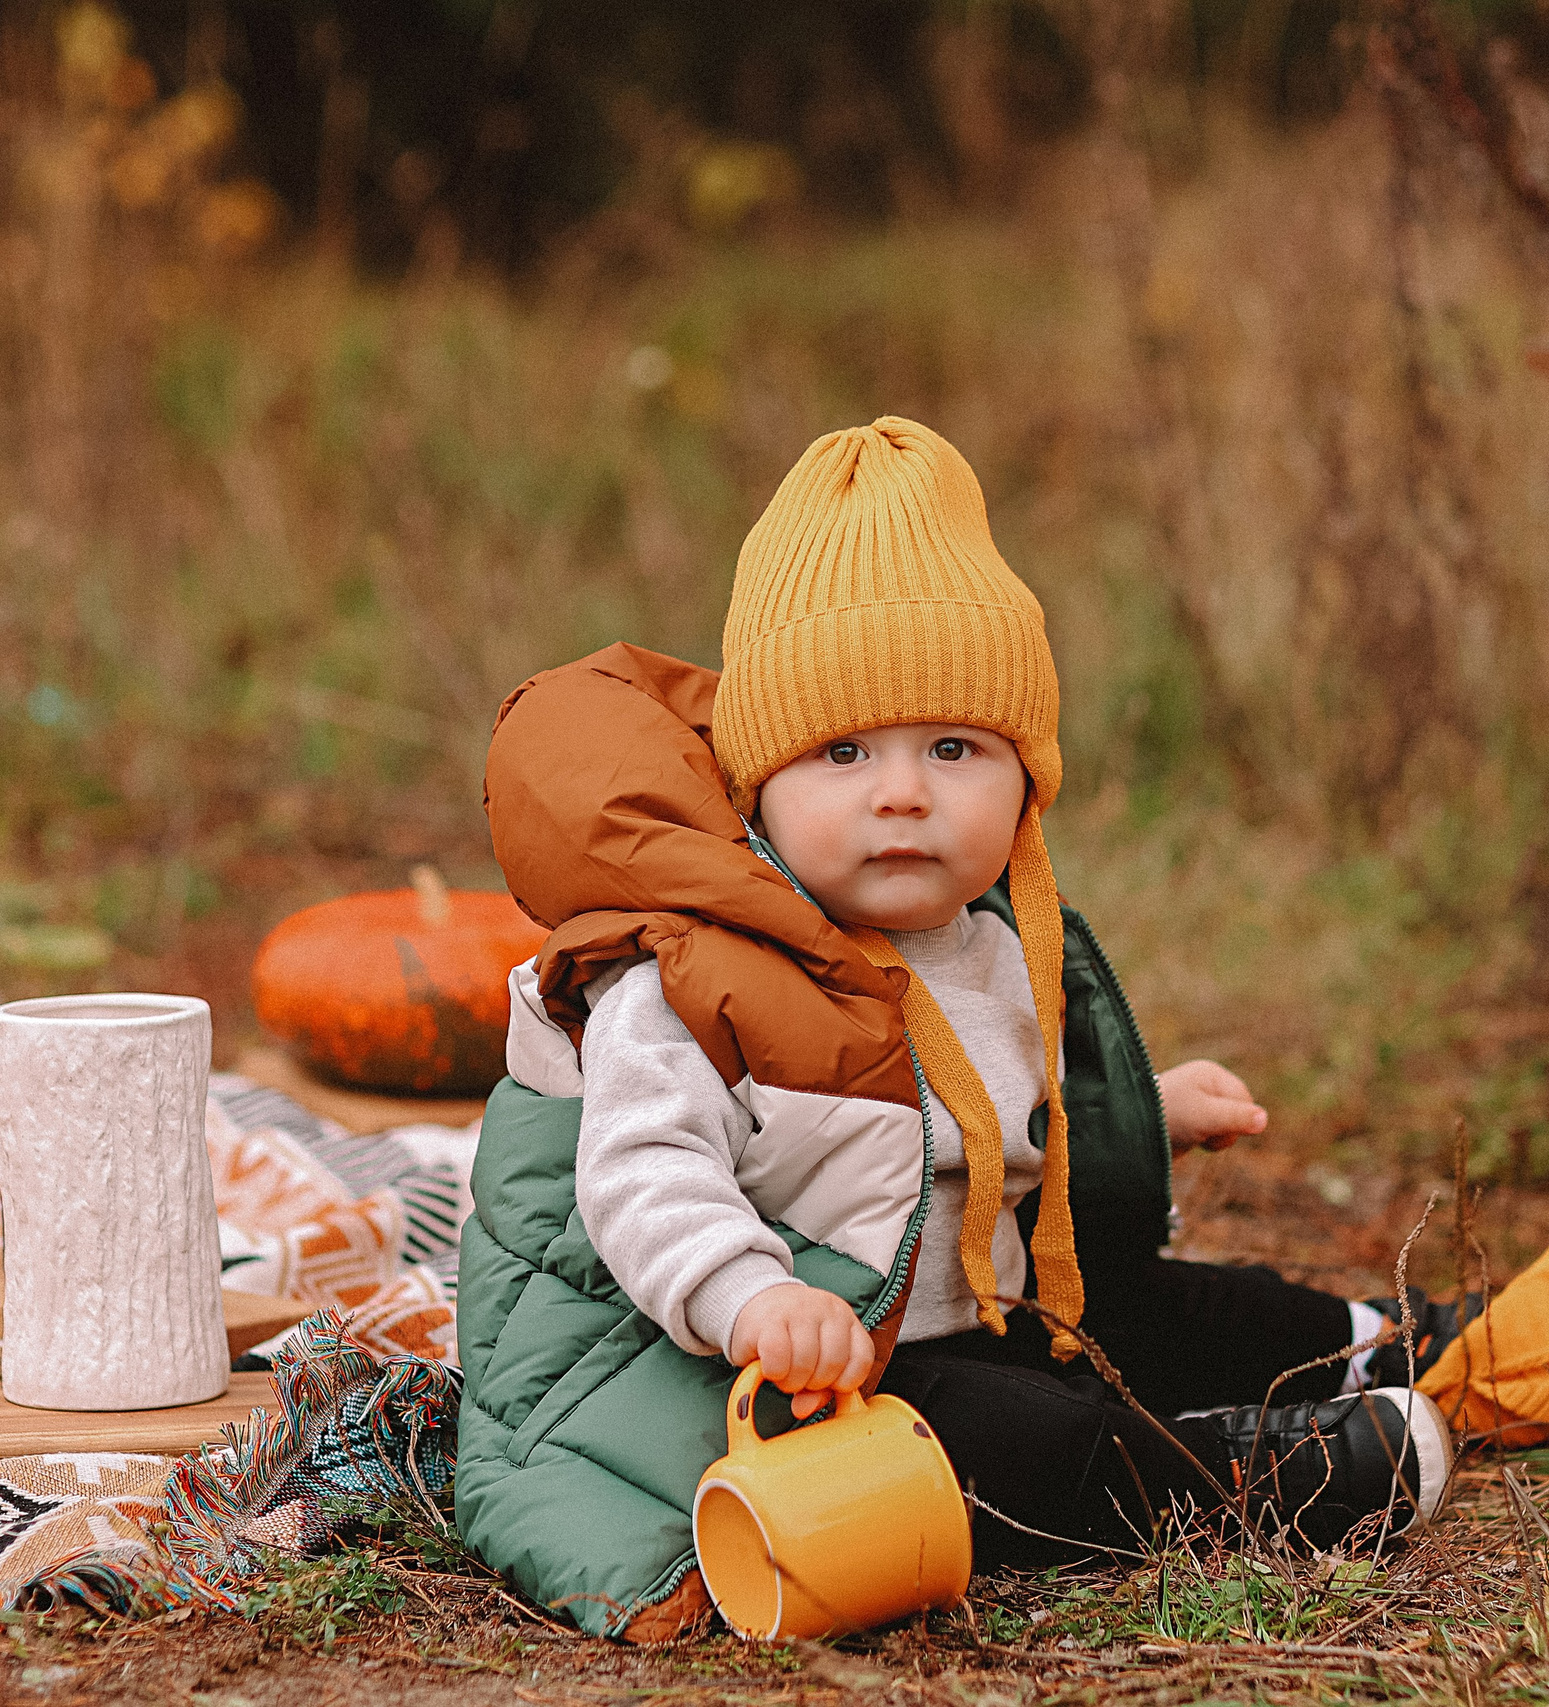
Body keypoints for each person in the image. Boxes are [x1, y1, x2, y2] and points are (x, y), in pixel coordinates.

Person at [459, 417, 1463, 1642]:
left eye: (953, 748)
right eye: (841, 752)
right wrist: (747, 1295)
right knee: (1026, 1444)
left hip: (974, 1308)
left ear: (1024, 783)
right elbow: (639, 1172)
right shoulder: (689, 975)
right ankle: (1255, 1485)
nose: (902, 791)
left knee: (1166, 1307)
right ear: (756, 785)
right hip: (780, 1363)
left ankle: (1383, 1346)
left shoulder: (987, 945)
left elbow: (1000, 1131)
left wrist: (1141, 1113)